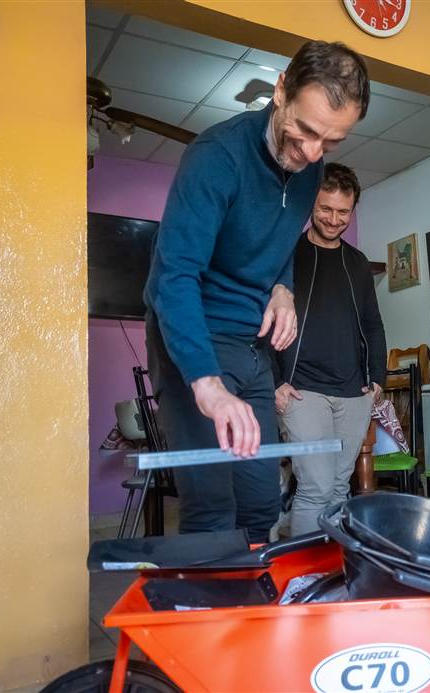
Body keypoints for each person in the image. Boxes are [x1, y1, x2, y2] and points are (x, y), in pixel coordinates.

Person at [143, 41, 370, 541]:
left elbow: (280, 238)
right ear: (281, 89)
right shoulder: (216, 157)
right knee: (212, 507)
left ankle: (250, 590)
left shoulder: (310, 171)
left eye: (331, 142)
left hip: (252, 348)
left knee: (260, 504)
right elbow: (173, 278)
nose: (312, 152)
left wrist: (283, 288)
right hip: (196, 343)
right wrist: (208, 386)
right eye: (305, 130)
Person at [274, 163, 387, 536]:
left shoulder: (357, 262)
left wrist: (377, 379)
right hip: (302, 390)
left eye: (343, 212)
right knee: (316, 487)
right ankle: (305, 566)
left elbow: (372, 323)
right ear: (311, 202)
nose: (334, 219)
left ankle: (332, 563)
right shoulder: (287, 253)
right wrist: (275, 381)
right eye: (326, 208)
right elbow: (264, 320)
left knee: (339, 488)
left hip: (354, 393)